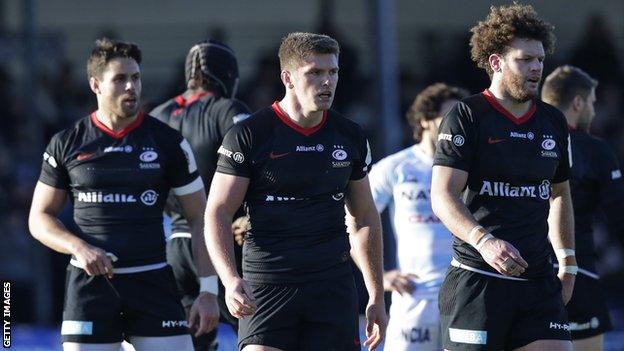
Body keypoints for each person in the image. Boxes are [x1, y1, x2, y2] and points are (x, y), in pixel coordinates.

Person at [28, 38, 216, 351]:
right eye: (120, 79)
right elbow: (39, 217)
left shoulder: (168, 142)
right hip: (90, 288)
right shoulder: (67, 142)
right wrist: (79, 248)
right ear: (95, 85)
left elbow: (201, 217)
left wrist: (208, 290)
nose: (131, 87)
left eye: (136, 78)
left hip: (153, 282)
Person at [204, 32, 387, 351]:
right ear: (287, 78)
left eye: (333, 72)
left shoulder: (350, 136)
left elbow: (365, 216)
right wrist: (230, 279)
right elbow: (218, 210)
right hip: (268, 283)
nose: (327, 82)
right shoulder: (250, 135)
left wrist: (375, 294)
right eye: (315, 73)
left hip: (331, 285)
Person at [430, 4, 576, 351]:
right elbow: (442, 195)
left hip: (538, 282)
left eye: (540, 59)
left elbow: (559, 193)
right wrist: (484, 241)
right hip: (477, 280)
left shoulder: (553, 122)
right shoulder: (467, 115)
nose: (537, 67)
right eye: (525, 59)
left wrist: (568, 262)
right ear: (496, 62)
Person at [150, 39, 251, 351]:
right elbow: (259, 169)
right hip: (223, 245)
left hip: (172, 247)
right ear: (229, 76)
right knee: (260, 331)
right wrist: (250, 216)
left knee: (194, 342)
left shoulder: (155, 116)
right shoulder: (229, 111)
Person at [366, 83, 468, 351]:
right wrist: (381, 277)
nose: (454, 126)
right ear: (424, 120)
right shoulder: (395, 167)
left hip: (464, 296)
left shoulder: (472, 169)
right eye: (447, 118)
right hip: (413, 296)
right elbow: (355, 222)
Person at [542, 65, 624, 351]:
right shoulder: (594, 149)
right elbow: (618, 215)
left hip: (524, 272)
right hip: (578, 273)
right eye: (591, 102)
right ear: (578, 103)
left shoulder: (521, 142)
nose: (592, 109)